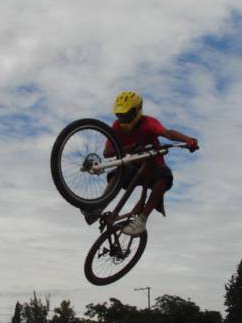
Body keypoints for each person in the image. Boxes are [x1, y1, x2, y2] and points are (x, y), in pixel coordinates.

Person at [83, 90, 199, 236]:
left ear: (137, 111)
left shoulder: (148, 123)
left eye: (127, 115)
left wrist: (188, 140)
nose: (123, 119)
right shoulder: (117, 126)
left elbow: (167, 133)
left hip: (153, 168)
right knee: (120, 170)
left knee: (164, 175)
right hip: (134, 167)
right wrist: (130, 148)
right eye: (120, 115)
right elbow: (107, 153)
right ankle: (98, 207)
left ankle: (142, 219)